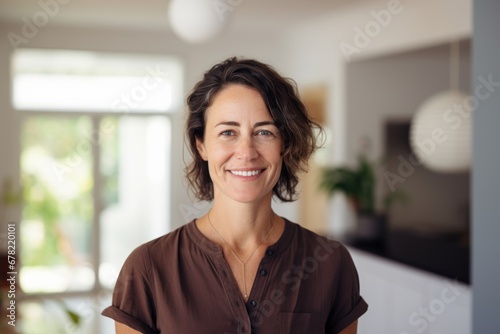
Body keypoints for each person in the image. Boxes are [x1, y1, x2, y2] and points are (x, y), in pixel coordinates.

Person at [102, 57, 368, 333]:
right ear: (202, 145)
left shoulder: (330, 263)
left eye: (264, 132)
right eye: (228, 132)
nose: (247, 151)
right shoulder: (147, 268)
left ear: (284, 145)